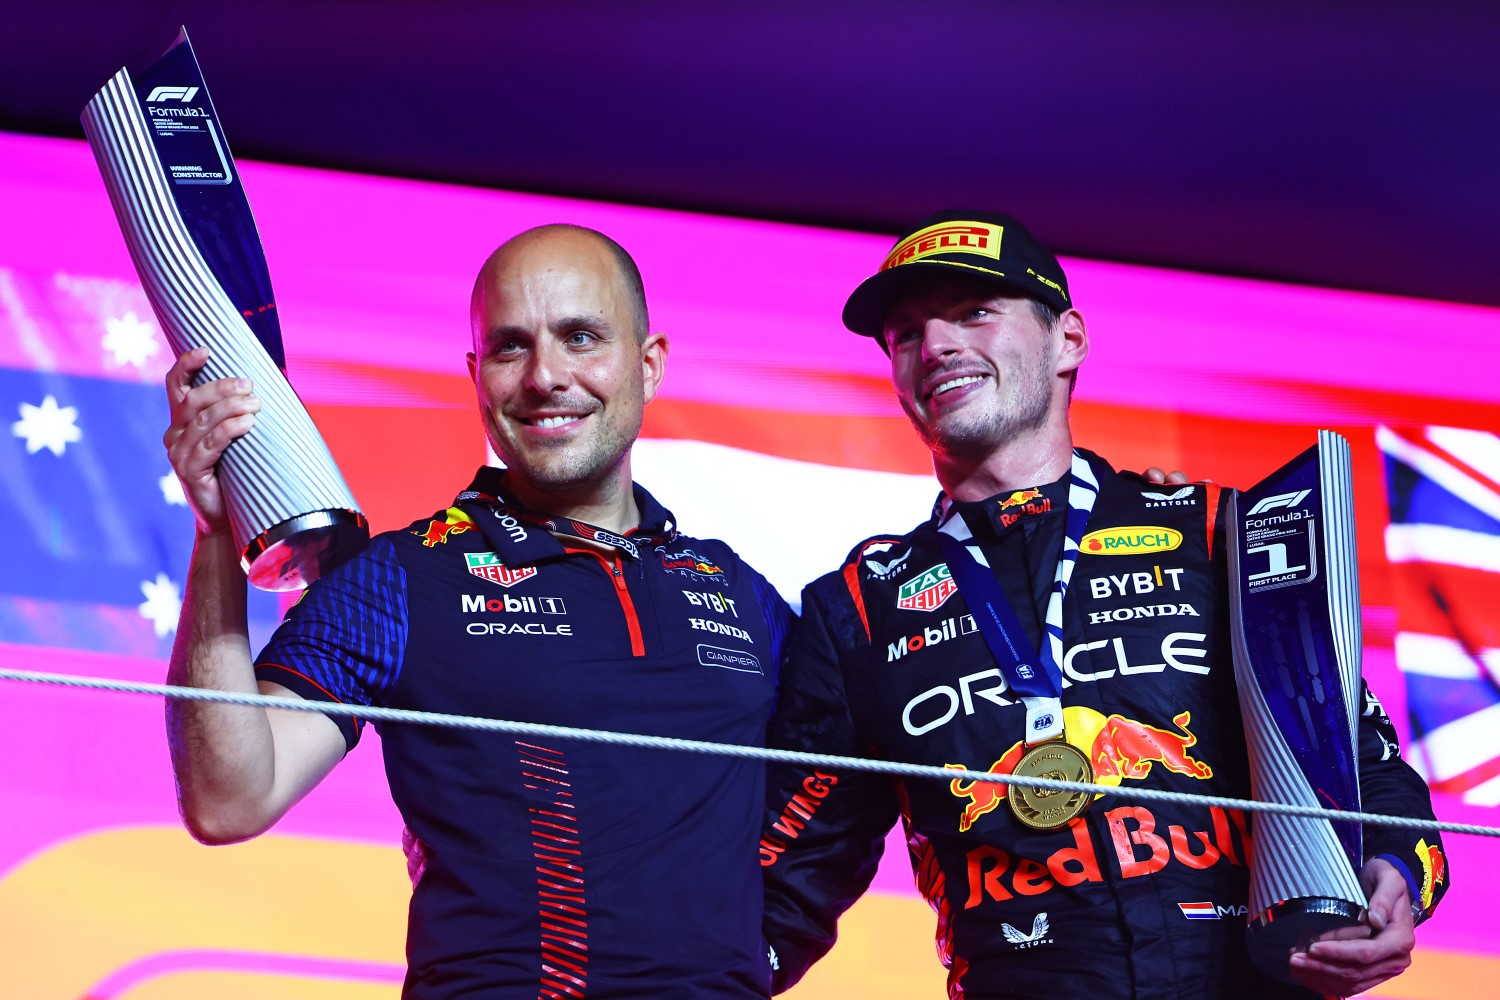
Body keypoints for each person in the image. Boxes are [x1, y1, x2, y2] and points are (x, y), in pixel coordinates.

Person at [759, 211, 1448, 999]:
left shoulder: (1219, 533)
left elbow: (1366, 770)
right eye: (907, 334)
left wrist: (1396, 875)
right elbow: (789, 879)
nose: (937, 346)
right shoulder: (857, 611)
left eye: (975, 312)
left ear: (1070, 341)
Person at [163, 224, 791, 998]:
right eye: (509, 347)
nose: (545, 377)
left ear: (649, 363)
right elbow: (230, 798)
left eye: (581, 337)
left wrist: (772, 951)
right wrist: (216, 535)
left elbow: (843, 801)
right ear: (476, 373)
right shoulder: (401, 576)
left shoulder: (738, 591)